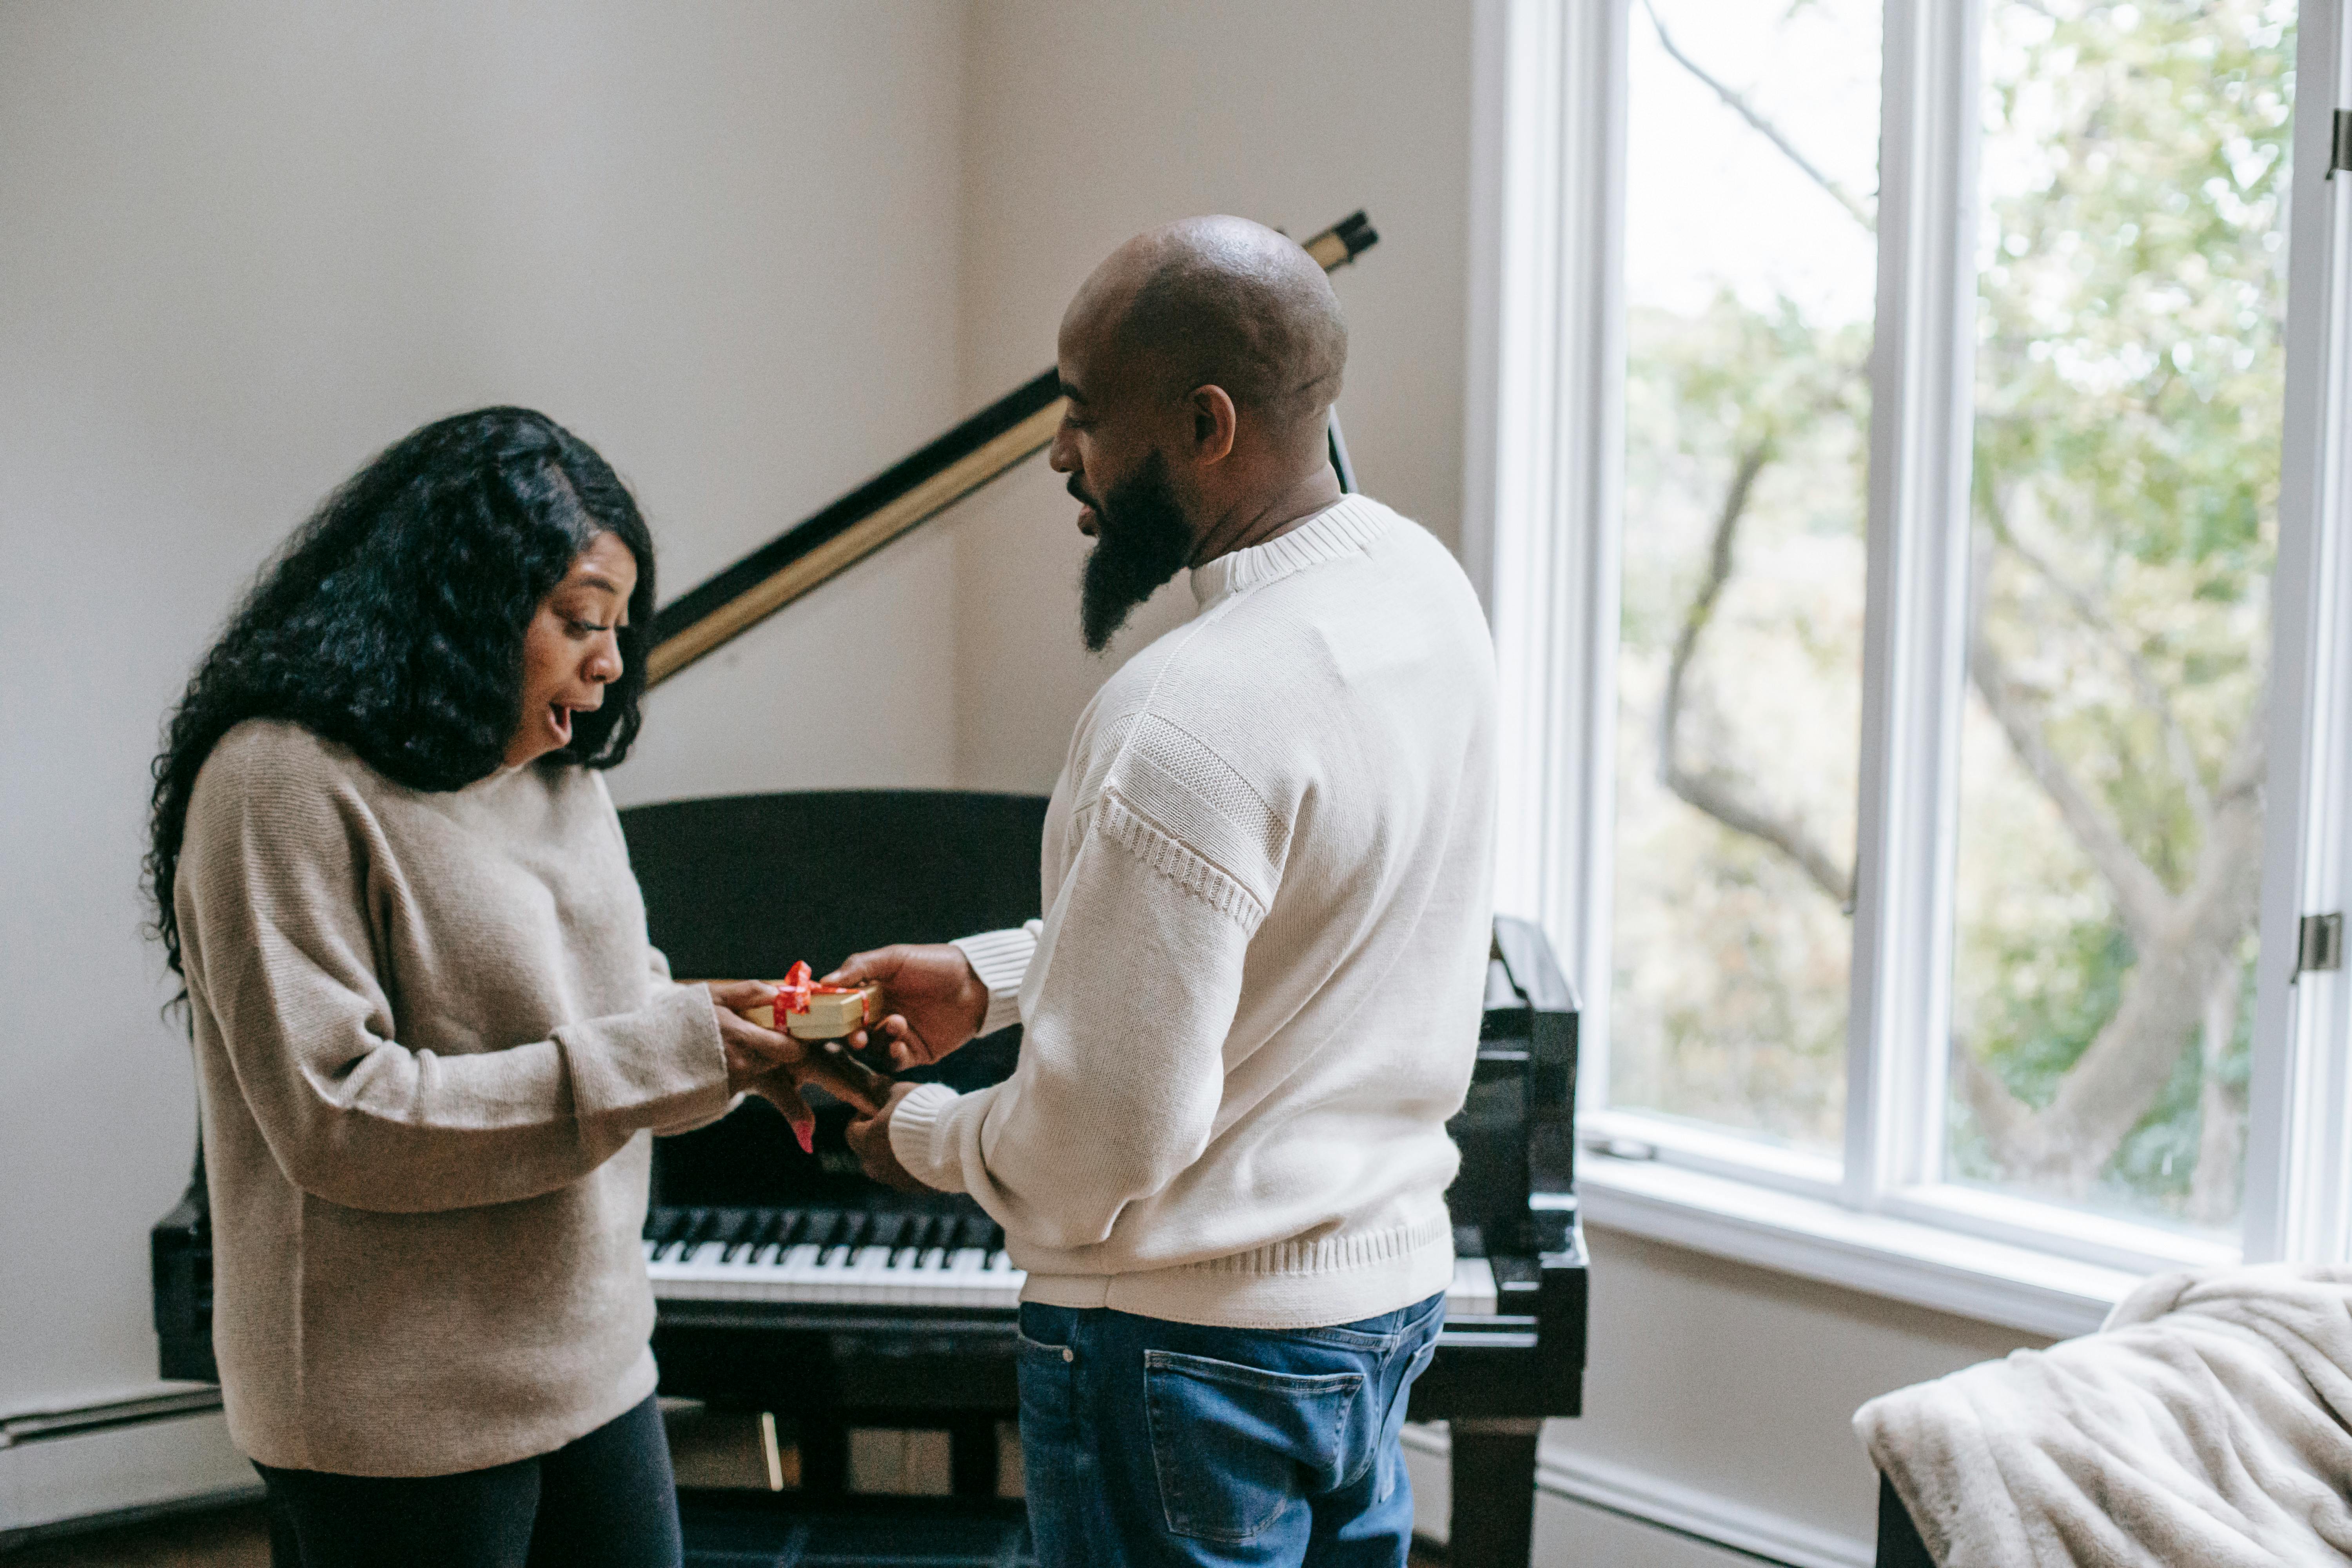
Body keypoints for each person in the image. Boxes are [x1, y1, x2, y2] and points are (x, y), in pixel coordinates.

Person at [833, 217, 1500, 1567]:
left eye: (1083, 415)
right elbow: (1292, 923)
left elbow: (1099, 1150)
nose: (1059, 456)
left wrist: (916, 1132)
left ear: (1206, 425)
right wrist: (993, 979)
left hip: (1182, 1358)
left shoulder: (1186, 712)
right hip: (1373, 1317)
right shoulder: (1427, 592)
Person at [145, 408, 814, 1568]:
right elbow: (340, 1116)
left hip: (598, 1361)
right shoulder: (277, 782)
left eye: (617, 628)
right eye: (579, 623)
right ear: (460, 602)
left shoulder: (559, 773)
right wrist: (667, 1055)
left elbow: (620, 1012)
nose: (610, 663)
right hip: (392, 1413)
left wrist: (747, 1046)